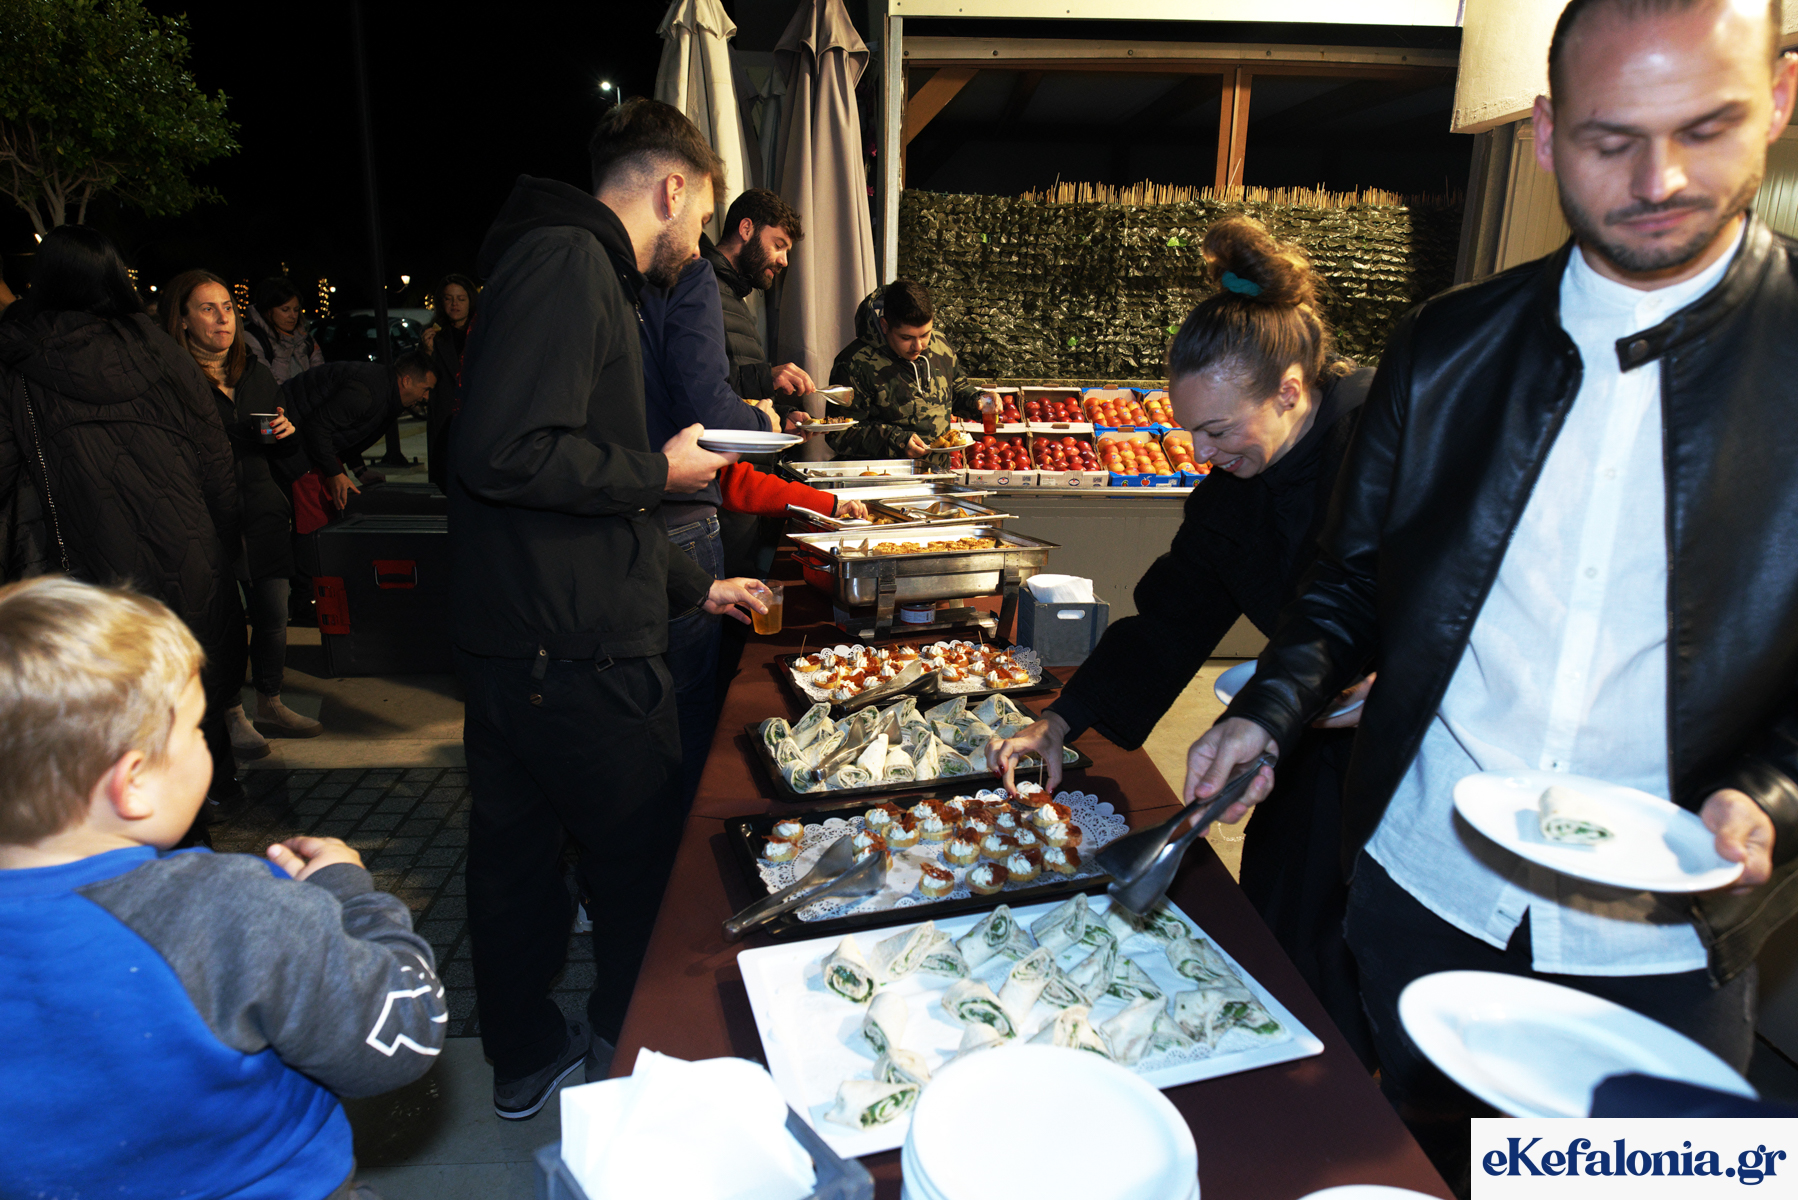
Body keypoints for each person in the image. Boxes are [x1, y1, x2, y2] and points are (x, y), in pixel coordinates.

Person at [1186, 1, 1798, 1191]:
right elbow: (1346, 587)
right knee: (1434, 1167)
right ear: (1544, 132)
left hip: (1663, 939)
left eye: (1704, 128)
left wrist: (1769, 791)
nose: (1659, 180)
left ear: (1777, 101)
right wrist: (1269, 708)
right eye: (1610, 140)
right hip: (1426, 890)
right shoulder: (1444, 347)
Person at [988, 215, 1378, 1067]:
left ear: (1290, 391)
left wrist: (1403, 676)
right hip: (1299, 730)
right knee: (1285, 934)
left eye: (1219, 431)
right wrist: (1060, 720)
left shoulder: (1385, 438)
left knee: (1373, 962)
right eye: (1190, 431)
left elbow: (1481, 584)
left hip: (1416, 755)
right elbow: (1169, 618)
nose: (1202, 454)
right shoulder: (1233, 491)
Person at [451, 97, 766, 1121]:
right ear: (673, 189)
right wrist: (660, 471)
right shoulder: (572, 262)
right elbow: (505, 453)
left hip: (528, 643)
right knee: (640, 877)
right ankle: (626, 1069)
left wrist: (693, 584)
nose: (702, 242)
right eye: (704, 216)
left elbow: (572, 496)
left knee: (516, 868)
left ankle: (524, 1058)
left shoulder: (554, 259)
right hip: (576, 656)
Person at [0, 575, 444, 1199]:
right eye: (194, 728)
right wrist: (350, 898)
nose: (204, 743)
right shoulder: (222, 909)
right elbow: (403, 1033)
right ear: (132, 783)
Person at [0, 225, 247, 821]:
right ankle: (208, 794)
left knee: (107, 700)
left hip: (86, 560)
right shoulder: (160, 349)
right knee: (186, 680)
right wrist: (221, 541)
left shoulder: (20, 356)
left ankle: (128, 817)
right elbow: (216, 460)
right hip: (187, 550)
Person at [639, 249, 780, 815]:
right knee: (688, 704)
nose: (783, 258)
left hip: (630, 513)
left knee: (644, 701)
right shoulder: (687, 270)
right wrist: (761, 421)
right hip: (679, 515)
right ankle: (684, 836)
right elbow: (706, 400)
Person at [165, 269, 323, 757]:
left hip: (263, 510)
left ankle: (269, 701)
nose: (222, 318)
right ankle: (231, 712)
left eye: (228, 308)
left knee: (274, 614)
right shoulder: (173, 379)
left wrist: (287, 435)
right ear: (183, 320)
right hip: (206, 516)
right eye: (207, 309)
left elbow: (284, 445)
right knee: (222, 621)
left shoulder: (254, 372)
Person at [827, 279, 982, 460]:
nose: (918, 346)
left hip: (936, 472)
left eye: (925, 334)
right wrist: (897, 442)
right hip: (882, 474)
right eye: (906, 338)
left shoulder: (940, 345)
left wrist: (980, 402)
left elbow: (956, 390)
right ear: (885, 326)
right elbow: (839, 433)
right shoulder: (854, 363)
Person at [280, 353, 436, 515]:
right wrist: (334, 474)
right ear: (407, 381)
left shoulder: (384, 390)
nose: (426, 397)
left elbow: (346, 431)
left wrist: (359, 470)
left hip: (301, 440)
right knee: (316, 514)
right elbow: (317, 427)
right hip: (290, 443)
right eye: (425, 389)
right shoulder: (366, 392)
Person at [702, 187, 814, 407]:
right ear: (746, 229)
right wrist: (766, 377)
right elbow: (702, 385)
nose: (784, 261)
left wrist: (783, 417)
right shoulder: (701, 288)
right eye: (778, 245)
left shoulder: (735, 296)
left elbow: (740, 395)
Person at [421, 273, 477, 492]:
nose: (455, 304)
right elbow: (423, 375)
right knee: (444, 470)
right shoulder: (433, 334)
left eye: (461, 299)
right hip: (444, 409)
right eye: (448, 298)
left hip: (475, 408)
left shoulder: (481, 331)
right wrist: (427, 352)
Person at [244, 277, 325, 385]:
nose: (293, 316)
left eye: (296, 310)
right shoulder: (253, 339)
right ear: (269, 311)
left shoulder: (305, 338)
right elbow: (265, 384)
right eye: (285, 310)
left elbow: (320, 375)